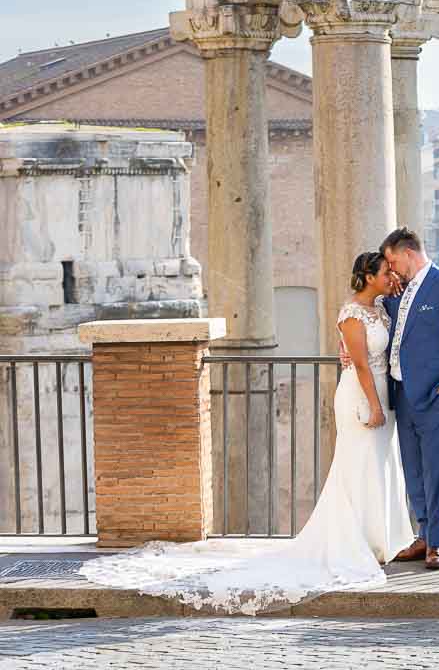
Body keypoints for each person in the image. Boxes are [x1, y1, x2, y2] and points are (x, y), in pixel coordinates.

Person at [80, 252, 413, 615]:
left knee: (380, 464)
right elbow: (361, 364)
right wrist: (375, 406)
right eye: (384, 271)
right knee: (356, 466)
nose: (390, 275)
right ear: (366, 277)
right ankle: (356, 541)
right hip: (361, 395)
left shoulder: (382, 308)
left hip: (382, 391)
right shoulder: (351, 313)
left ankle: (382, 539)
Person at [374, 227, 439, 571]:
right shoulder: (398, 292)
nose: (391, 269)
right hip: (402, 394)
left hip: (436, 395)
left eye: (392, 261)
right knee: (413, 469)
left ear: (407, 254)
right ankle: (421, 535)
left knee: (436, 471)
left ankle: (436, 543)